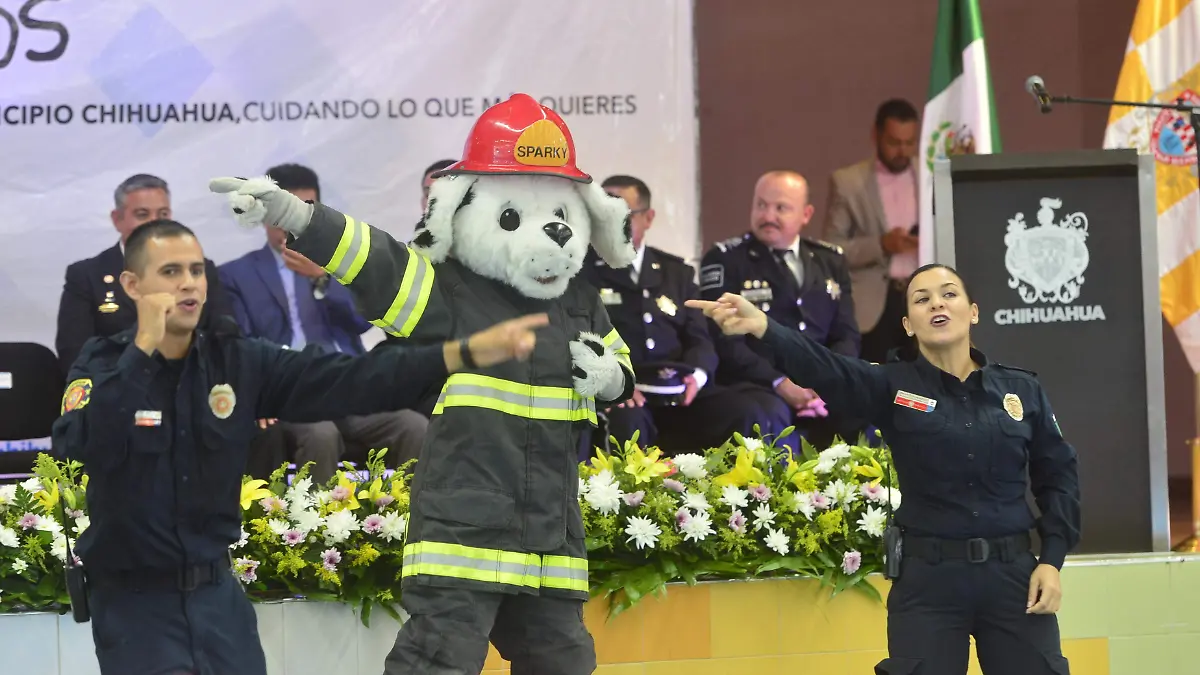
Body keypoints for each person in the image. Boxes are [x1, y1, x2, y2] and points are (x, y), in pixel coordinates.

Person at [52, 219, 549, 675]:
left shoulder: (235, 360)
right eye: (171, 271)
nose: (189, 283)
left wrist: (459, 354)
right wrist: (142, 350)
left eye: (197, 270)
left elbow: (353, 379)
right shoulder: (102, 364)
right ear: (134, 286)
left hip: (216, 597)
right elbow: (78, 443)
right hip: (135, 602)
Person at [687, 263, 1080, 675]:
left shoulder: (1021, 390)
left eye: (949, 294)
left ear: (973, 311)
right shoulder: (892, 386)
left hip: (1015, 578)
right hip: (929, 582)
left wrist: (1051, 560)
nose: (937, 304)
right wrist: (765, 327)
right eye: (922, 299)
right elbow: (824, 366)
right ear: (909, 325)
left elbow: (1059, 476)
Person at [219, 163, 428, 480]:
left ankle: (402, 524)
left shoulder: (339, 264)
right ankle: (315, 528)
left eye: (305, 209)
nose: (293, 220)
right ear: (263, 212)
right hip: (290, 392)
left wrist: (324, 278)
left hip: (348, 384)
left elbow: (362, 323)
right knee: (320, 435)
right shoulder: (236, 275)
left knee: (413, 427)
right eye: (284, 208)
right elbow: (241, 344)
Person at [582, 174, 772, 456]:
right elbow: (574, 339)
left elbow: (700, 339)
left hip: (678, 389)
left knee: (745, 412)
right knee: (627, 422)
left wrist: (696, 376)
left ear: (648, 218)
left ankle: (746, 497)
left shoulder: (676, 272)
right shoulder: (580, 272)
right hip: (623, 392)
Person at [699, 170, 863, 451]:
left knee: (871, 409)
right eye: (761, 205)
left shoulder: (830, 260)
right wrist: (780, 382)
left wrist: (829, 381)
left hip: (823, 382)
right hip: (756, 383)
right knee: (768, 417)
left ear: (806, 214)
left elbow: (846, 334)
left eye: (781, 208)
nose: (768, 216)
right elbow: (725, 341)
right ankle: (778, 496)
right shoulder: (726, 259)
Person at [55, 173, 232, 375]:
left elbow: (225, 337)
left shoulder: (203, 270)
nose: (154, 223)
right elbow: (75, 355)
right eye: (142, 214)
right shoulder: (87, 276)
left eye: (163, 214)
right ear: (117, 219)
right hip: (118, 391)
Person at [819, 99, 921, 364]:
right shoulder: (848, 183)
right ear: (875, 135)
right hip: (874, 305)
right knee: (877, 386)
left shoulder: (933, 175)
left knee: (929, 387)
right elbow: (831, 249)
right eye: (894, 142)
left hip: (923, 295)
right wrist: (882, 244)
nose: (902, 150)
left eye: (909, 143)